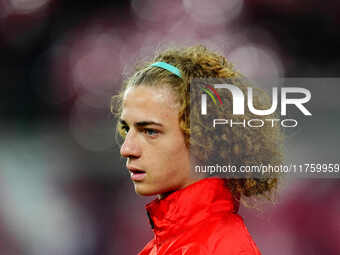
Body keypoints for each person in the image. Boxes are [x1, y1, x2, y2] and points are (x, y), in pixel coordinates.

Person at [111, 45, 283, 255]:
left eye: (150, 131)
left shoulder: (224, 249)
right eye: (127, 129)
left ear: (204, 137)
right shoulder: (160, 247)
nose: (127, 149)